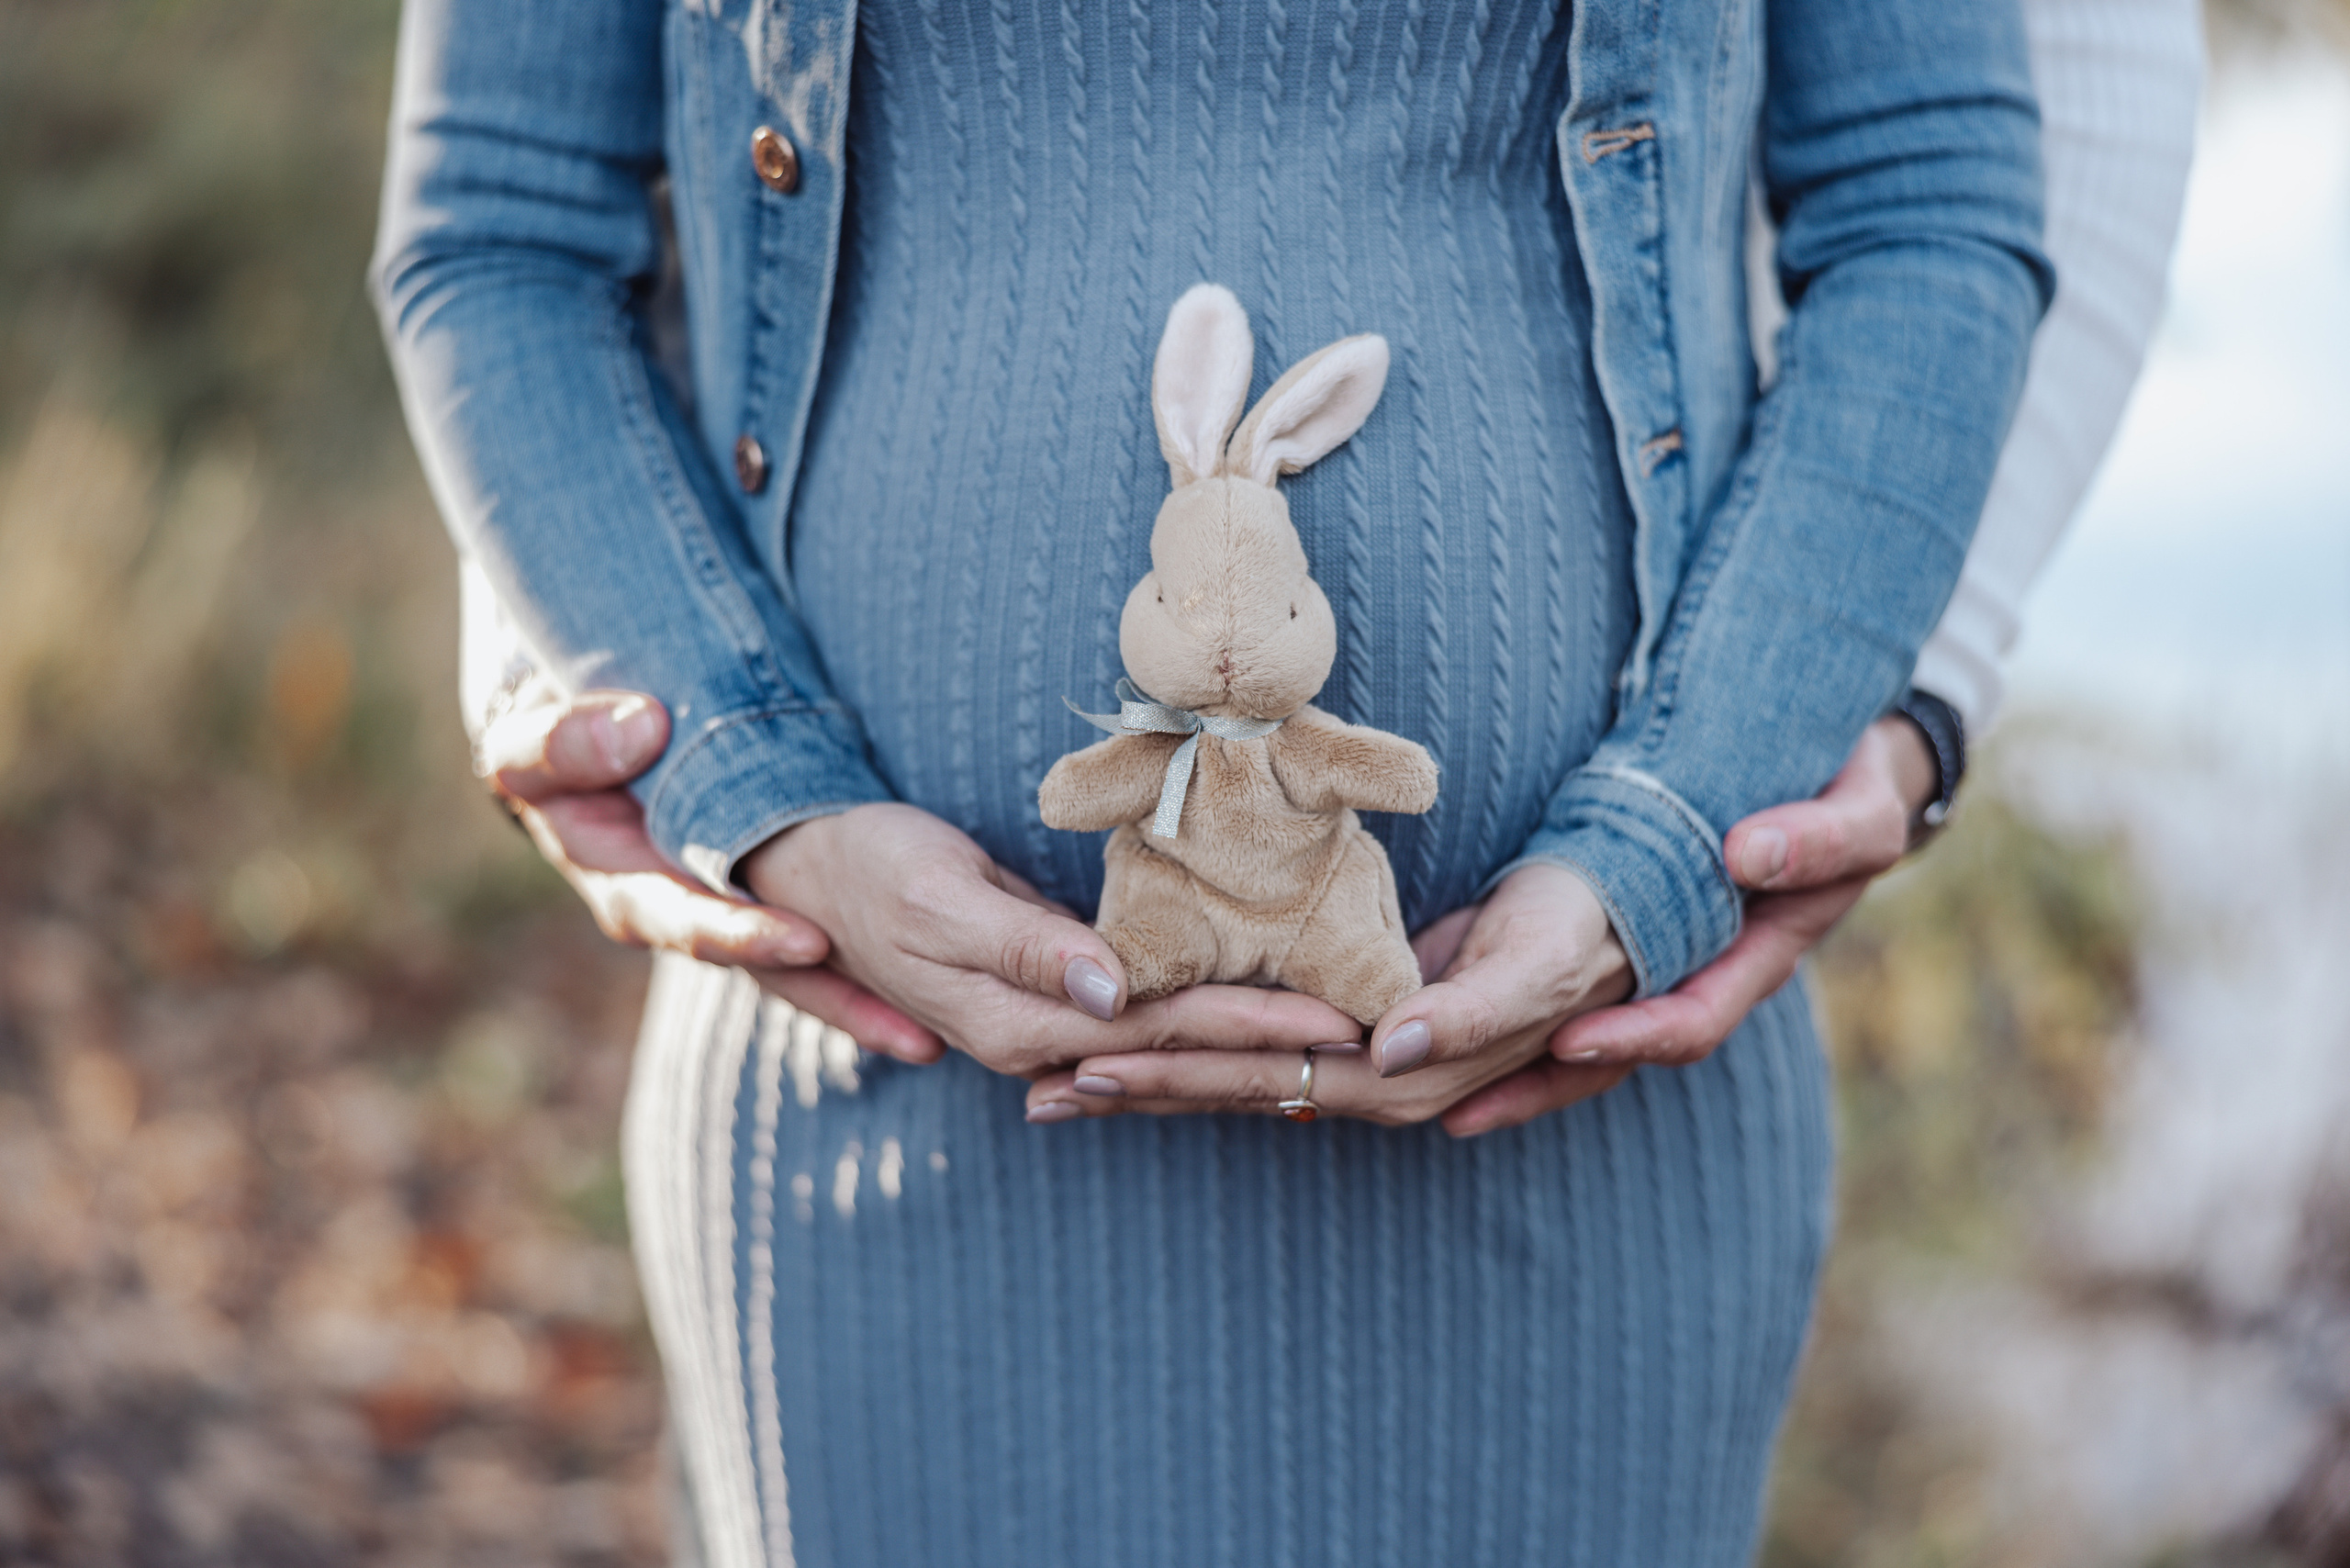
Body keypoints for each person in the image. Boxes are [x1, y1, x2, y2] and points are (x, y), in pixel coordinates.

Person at [374, 0, 2195, 1562]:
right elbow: (500, 231)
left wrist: (1697, 807)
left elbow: (1927, 205)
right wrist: (731, 756)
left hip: (1571, 1137)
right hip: (878, 1103)